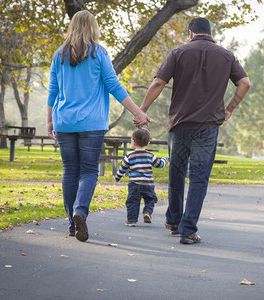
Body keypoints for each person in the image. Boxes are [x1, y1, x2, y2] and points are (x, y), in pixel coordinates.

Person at [138, 17, 250, 244]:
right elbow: (245, 83)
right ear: (210, 33)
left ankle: (174, 221)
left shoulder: (178, 53)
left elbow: (158, 83)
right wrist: (229, 109)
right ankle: (188, 231)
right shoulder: (226, 56)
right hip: (208, 127)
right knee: (199, 178)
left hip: (179, 126)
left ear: (190, 33)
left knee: (176, 173)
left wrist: (142, 110)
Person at [46, 10, 149, 242]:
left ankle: (73, 226)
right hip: (92, 123)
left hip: (64, 122)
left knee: (70, 171)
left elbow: (53, 91)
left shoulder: (59, 55)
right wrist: (138, 112)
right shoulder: (99, 53)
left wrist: (49, 120)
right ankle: (80, 211)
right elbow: (114, 85)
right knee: (89, 171)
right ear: (93, 28)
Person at [114, 129, 169, 227]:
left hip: (134, 184)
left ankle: (131, 220)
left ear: (133, 142)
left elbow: (123, 168)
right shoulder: (150, 155)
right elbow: (159, 165)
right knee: (150, 199)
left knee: (132, 202)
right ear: (148, 143)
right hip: (148, 184)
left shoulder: (129, 156)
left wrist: (117, 178)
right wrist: (165, 159)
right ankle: (147, 212)